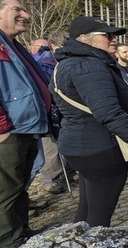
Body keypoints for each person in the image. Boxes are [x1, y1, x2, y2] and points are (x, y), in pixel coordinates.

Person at [50, 16, 128, 228]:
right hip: (99, 149)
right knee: (99, 219)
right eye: (106, 35)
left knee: (87, 210)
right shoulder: (89, 66)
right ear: (84, 38)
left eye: (114, 35)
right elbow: (108, 112)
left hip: (79, 146)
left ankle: (78, 239)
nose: (113, 39)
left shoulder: (66, 62)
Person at [0, 0, 53, 246]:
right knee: (6, 191)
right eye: (17, 9)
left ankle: (21, 232)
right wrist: (2, 129)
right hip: (10, 132)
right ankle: (9, 240)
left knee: (19, 187)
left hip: (26, 127)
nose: (26, 14)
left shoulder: (12, 45)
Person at [27, 38, 65, 195]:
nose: (45, 50)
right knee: (50, 148)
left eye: (46, 47)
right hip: (45, 112)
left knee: (55, 146)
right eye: (42, 48)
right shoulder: (42, 62)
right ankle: (49, 179)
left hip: (51, 111)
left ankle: (58, 175)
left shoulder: (45, 60)